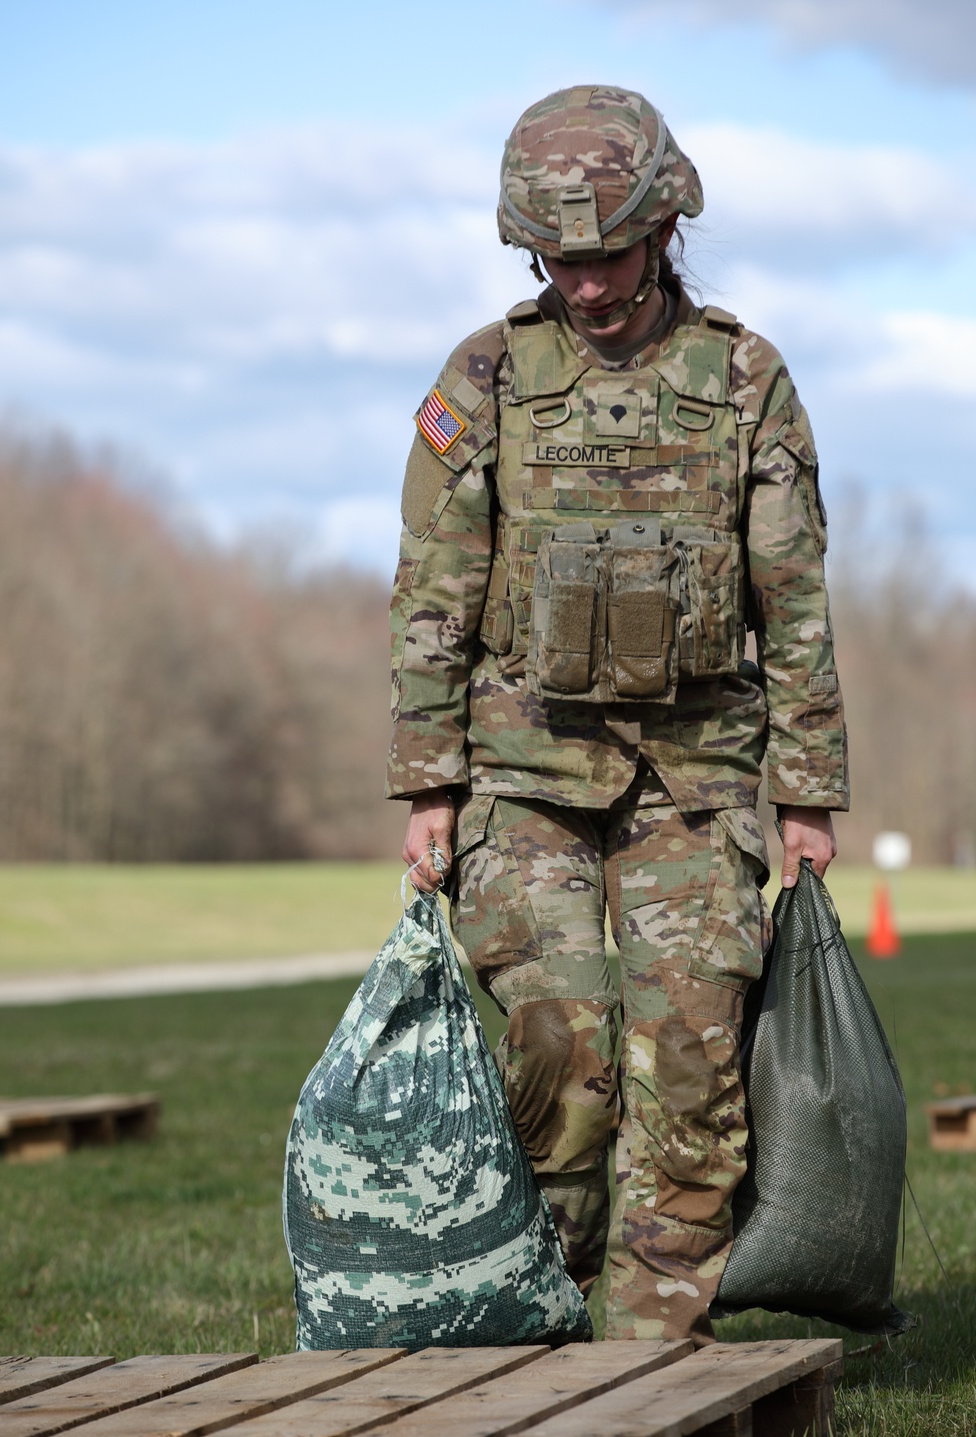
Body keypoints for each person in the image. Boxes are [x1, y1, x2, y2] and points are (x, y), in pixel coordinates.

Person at [385, 85, 848, 1347]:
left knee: (691, 1082)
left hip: (696, 778)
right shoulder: (485, 376)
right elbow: (435, 586)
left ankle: (652, 1376)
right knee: (560, 1064)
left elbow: (792, 594)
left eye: (605, 254)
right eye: (556, 259)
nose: (583, 285)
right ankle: (531, 1347)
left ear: (664, 225)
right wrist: (429, 785)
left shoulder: (745, 376)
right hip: (522, 774)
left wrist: (806, 791)